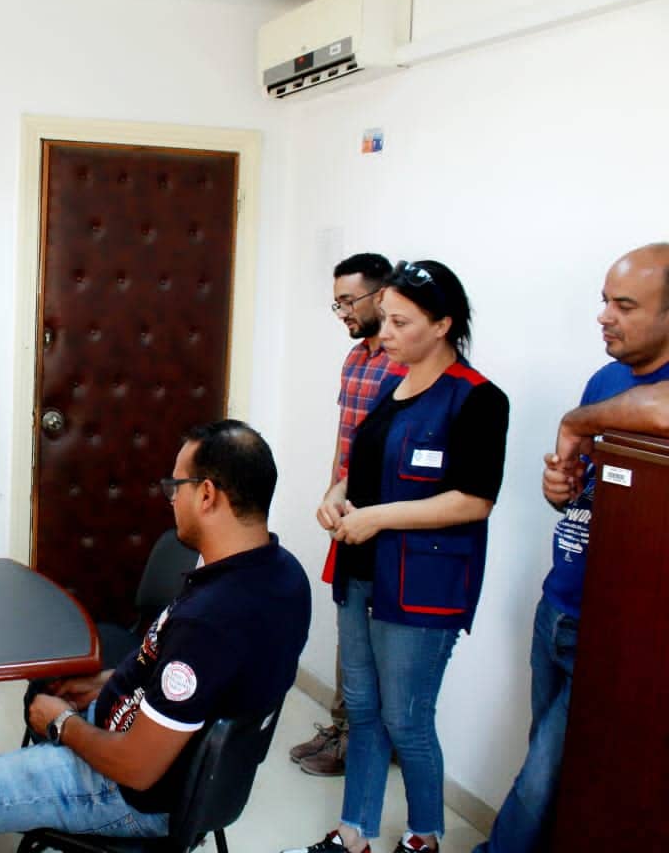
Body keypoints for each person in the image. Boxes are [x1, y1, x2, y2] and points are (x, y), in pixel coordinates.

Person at [0, 420, 310, 853]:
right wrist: (106, 685)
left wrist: (62, 724)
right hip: (145, 744)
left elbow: (137, 767)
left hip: (127, 788)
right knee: (47, 694)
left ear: (206, 495)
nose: (171, 499)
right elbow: (201, 681)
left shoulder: (211, 619)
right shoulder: (284, 575)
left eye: (175, 486)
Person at [286, 261, 510, 853]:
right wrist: (337, 498)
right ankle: (354, 832)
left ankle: (423, 835)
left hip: (420, 586)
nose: (384, 333)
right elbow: (360, 472)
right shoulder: (393, 389)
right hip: (362, 574)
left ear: (442, 325)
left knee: (407, 718)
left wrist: (378, 518)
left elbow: (473, 500)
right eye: (384, 319)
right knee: (362, 710)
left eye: (400, 323)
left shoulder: (478, 399)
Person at [474, 243, 669, 853]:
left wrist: (576, 422)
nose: (604, 316)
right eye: (605, 301)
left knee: (544, 778)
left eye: (625, 306)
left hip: (618, 629)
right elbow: (589, 495)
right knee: (553, 767)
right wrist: (560, 491)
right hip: (559, 604)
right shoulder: (607, 380)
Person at [292, 252, 393, 777]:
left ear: (382, 295)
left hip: (383, 514)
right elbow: (345, 437)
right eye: (337, 303)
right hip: (346, 506)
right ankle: (342, 726)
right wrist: (331, 488)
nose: (343, 313)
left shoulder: (403, 364)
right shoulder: (356, 359)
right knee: (347, 621)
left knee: (375, 632)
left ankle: (363, 738)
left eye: (349, 301)